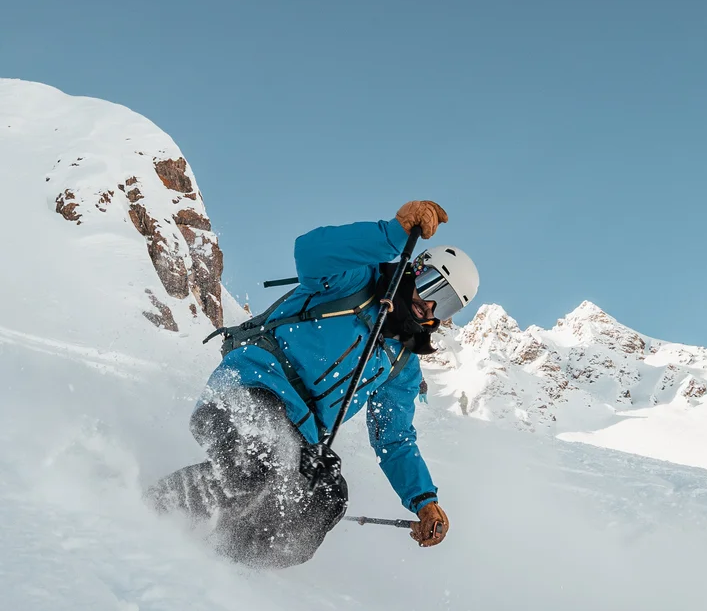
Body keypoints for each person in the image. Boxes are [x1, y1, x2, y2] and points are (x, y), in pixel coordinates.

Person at [147, 201, 479, 568]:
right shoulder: (354, 281)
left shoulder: (401, 364)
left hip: (300, 435)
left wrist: (424, 500)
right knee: (259, 465)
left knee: (325, 500)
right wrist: (393, 233)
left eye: (445, 304)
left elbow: (393, 437)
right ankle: (149, 513)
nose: (429, 306)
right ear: (414, 270)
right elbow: (310, 251)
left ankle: (227, 567)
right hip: (247, 388)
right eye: (433, 285)